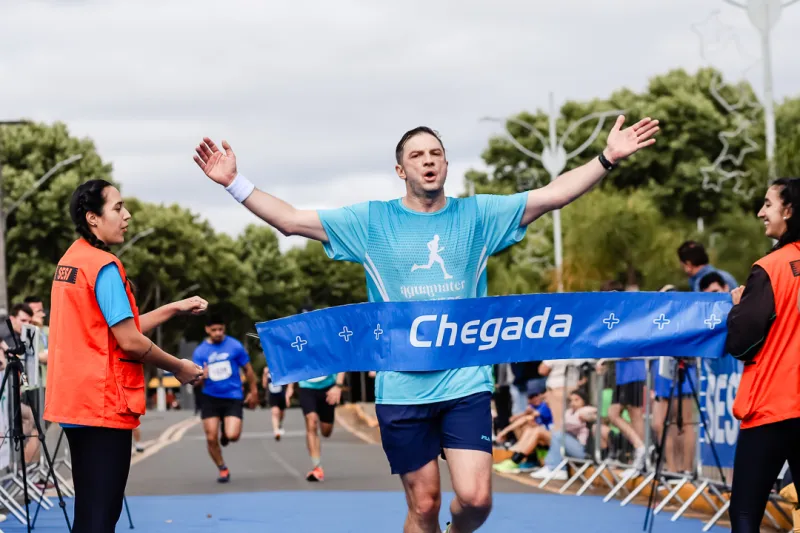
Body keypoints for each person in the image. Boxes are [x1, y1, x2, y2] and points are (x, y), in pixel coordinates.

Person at [193, 115, 659, 533]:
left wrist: (607, 158)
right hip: (402, 388)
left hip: (465, 381)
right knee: (425, 505)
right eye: (417, 155)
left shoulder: (478, 216)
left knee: (475, 501)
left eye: (436, 153)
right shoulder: (371, 221)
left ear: (446, 165)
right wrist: (235, 183)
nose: (428, 161)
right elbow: (292, 220)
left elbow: (553, 195)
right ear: (401, 170)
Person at [43, 179, 205, 533]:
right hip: (102, 404)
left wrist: (172, 308)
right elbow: (129, 341)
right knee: (102, 516)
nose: (127, 215)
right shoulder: (104, 266)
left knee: (88, 512)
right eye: (117, 208)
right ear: (93, 218)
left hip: (75, 404)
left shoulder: (71, 262)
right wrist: (179, 367)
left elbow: (115, 330)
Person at [725, 177, 800, 532]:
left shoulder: (771, 267)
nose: (760, 212)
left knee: (745, 512)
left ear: (789, 210)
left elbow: (741, 341)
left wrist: (738, 307)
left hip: (772, 406)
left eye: (768, 204)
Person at [192, 314, 258, 483]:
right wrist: (201, 378)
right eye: (214, 330)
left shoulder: (235, 346)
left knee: (233, 435)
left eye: (221, 329)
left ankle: (226, 434)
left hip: (233, 396)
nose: (218, 333)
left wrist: (254, 392)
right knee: (211, 438)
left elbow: (248, 370)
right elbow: (194, 382)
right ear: (207, 330)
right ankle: (222, 468)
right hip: (210, 398)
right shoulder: (200, 352)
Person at [296, 372, 345, 481]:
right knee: (311, 422)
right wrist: (289, 387)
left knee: (326, 431)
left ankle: (317, 467)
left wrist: (338, 386)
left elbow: (343, 361)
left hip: (329, 386)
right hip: (306, 387)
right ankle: (317, 467)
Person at [262, 366, 293, 441]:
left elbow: (290, 380)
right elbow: (264, 385)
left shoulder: (281, 368)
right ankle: (276, 431)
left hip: (282, 394)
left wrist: (288, 395)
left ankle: (279, 424)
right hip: (272, 395)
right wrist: (265, 374)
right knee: (275, 412)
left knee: (281, 414)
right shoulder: (267, 370)